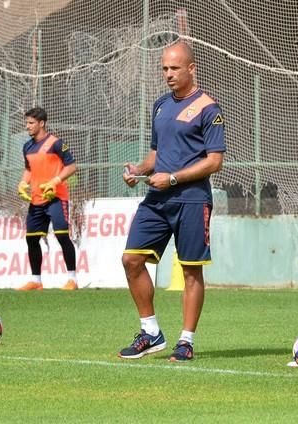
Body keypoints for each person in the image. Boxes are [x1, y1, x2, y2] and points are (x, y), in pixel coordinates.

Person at [117, 42, 225, 361]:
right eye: (164, 68)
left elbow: (214, 161)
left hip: (192, 200)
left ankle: (186, 341)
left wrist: (174, 177)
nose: (168, 74)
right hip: (157, 199)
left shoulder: (209, 108)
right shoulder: (161, 105)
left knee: (191, 271)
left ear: (191, 69)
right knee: (131, 260)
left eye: (174, 68)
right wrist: (138, 169)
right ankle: (151, 333)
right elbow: (156, 154)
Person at [16, 107, 78, 291]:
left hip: (57, 198)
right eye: (26, 122)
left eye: (31, 123)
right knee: (31, 239)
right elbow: (29, 169)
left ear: (41, 123)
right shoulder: (27, 146)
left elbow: (72, 167)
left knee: (61, 235)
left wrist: (55, 181)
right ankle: (36, 281)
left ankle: (72, 279)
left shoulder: (56, 143)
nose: (27, 126)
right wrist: (22, 183)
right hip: (35, 200)